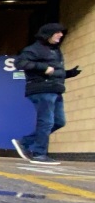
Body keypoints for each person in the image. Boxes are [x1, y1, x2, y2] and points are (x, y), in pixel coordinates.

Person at [11, 22, 81, 165]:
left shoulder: (55, 50)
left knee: (59, 122)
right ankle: (39, 154)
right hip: (42, 89)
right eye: (57, 32)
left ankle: (25, 142)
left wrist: (68, 73)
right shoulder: (34, 49)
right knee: (46, 121)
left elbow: (54, 71)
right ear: (48, 34)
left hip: (55, 89)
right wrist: (43, 67)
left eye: (61, 32)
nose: (61, 35)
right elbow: (19, 63)